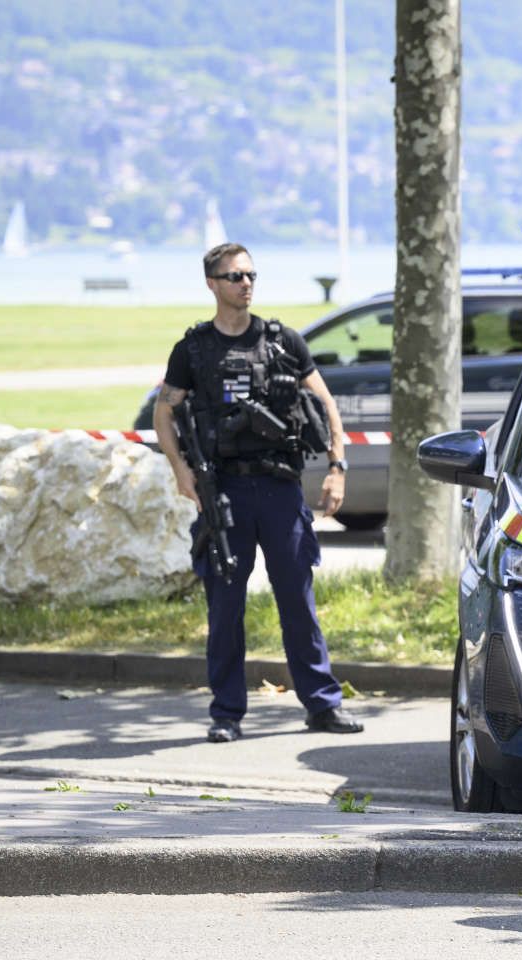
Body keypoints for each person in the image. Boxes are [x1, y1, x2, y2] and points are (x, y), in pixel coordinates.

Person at [153, 242, 365, 743]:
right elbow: (165, 412)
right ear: (212, 284)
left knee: (298, 599)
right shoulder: (194, 350)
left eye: (250, 274)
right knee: (225, 607)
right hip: (223, 491)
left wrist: (337, 467)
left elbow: (325, 402)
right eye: (234, 276)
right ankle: (226, 712)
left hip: (279, 489)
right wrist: (181, 471)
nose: (245, 283)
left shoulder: (282, 341)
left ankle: (321, 704)